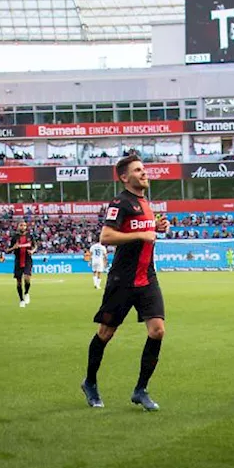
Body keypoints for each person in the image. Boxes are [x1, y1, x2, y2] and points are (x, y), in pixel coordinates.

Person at [80, 156, 169, 412]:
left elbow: (145, 231)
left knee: (157, 331)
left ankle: (141, 390)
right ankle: (90, 382)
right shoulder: (120, 202)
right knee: (106, 333)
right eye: (138, 170)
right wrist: (143, 232)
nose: (144, 173)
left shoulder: (145, 203)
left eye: (144, 169)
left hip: (147, 278)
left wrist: (157, 227)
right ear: (124, 177)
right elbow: (106, 236)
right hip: (123, 279)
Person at [10, 222, 36, 307]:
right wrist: (14, 247)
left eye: (24, 225)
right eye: (21, 225)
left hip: (27, 259)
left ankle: (26, 293)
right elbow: (8, 250)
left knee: (27, 278)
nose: (23, 227)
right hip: (18, 261)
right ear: (18, 226)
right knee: (19, 282)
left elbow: (35, 246)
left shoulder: (30, 236)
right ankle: (21, 300)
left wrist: (32, 251)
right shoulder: (14, 237)